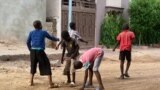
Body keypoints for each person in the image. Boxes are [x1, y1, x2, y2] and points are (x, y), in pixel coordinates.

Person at [26, 20, 59, 88]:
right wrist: (57, 39)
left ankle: (31, 82)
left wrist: (30, 50)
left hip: (33, 51)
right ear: (40, 25)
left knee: (33, 65)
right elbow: (51, 37)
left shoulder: (31, 32)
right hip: (40, 51)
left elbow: (27, 42)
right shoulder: (43, 32)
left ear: (34, 26)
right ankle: (50, 83)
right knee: (46, 65)